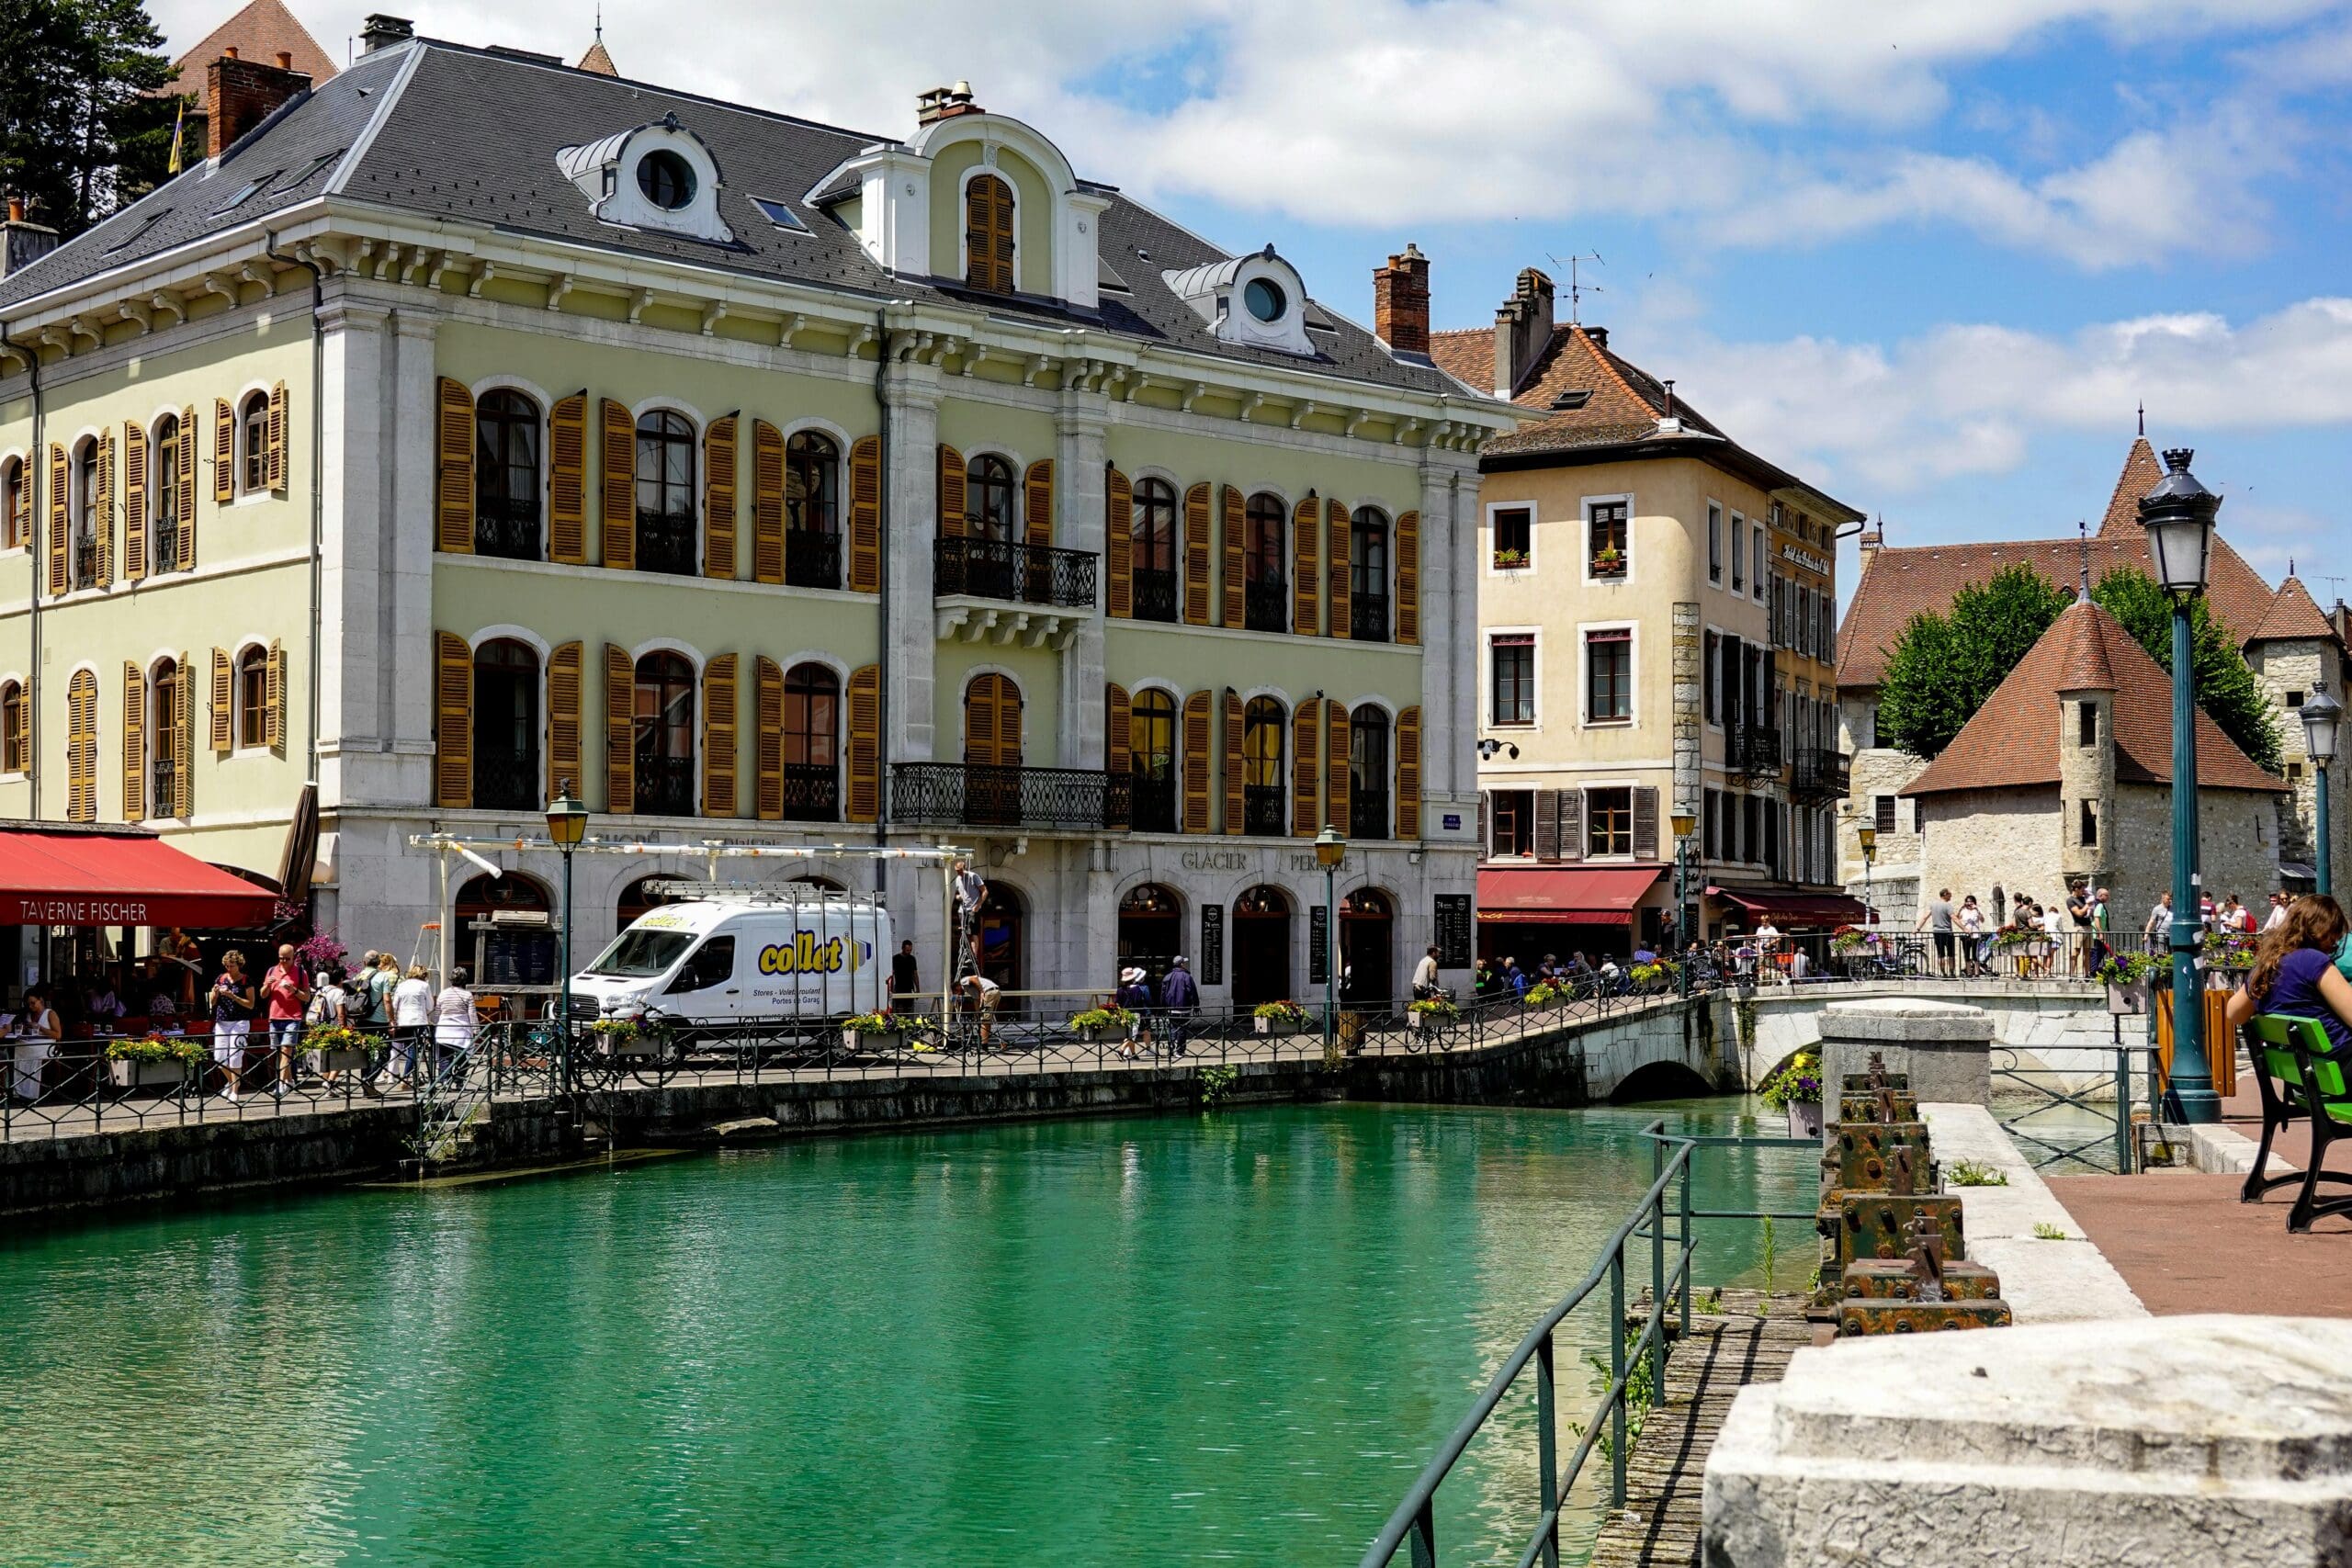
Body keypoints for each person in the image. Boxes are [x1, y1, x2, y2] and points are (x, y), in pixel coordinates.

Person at [2224, 895, 2352, 1055]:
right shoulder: (2314, 961)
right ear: (2323, 931)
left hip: (2302, 1071)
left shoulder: (2266, 966)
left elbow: (2234, 1014)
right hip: (2339, 1062)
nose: (2335, 943)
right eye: (2334, 936)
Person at [260, 943, 310, 1100]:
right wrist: (267, 984)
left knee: (286, 1051)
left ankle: (281, 1084)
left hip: (292, 1017)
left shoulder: (300, 972)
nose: (283, 961)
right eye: (281, 958)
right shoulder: (271, 971)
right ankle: (289, 1080)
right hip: (274, 1017)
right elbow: (262, 995)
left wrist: (293, 990)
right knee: (278, 1052)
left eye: (287, 959)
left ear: (293, 957)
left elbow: (307, 997)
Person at [209, 951, 255, 1102]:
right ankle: (232, 1081)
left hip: (240, 1021)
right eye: (227, 966)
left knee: (235, 1056)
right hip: (222, 1021)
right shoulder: (221, 978)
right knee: (219, 1058)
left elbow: (250, 1004)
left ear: (239, 965)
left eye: (232, 966)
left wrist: (233, 996)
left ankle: (235, 1091)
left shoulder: (246, 980)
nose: (229, 969)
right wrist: (215, 994)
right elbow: (212, 1002)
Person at [385, 964, 434, 1090]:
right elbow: (430, 1006)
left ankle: (409, 1077)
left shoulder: (402, 985)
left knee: (407, 1049)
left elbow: (395, 1004)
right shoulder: (424, 986)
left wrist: (394, 1019)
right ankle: (406, 1078)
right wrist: (424, 1012)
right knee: (414, 1050)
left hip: (403, 1021)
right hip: (418, 1020)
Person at [9, 985, 59, 1102]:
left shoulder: (50, 1014)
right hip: (31, 1043)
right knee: (19, 1046)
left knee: (27, 1049)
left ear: (40, 1000)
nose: (31, 1007)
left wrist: (40, 1028)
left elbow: (57, 1034)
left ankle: (30, 1091)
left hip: (47, 1045)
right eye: (29, 1004)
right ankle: (20, 1089)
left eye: (33, 1003)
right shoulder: (28, 1014)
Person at [433, 965, 479, 1087]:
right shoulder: (467, 995)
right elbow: (472, 1015)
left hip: (444, 1029)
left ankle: (444, 1080)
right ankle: (459, 1081)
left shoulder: (443, 994)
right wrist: (476, 1030)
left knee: (444, 1057)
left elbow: (437, 1013)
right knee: (463, 1058)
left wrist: (434, 1027)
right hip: (461, 1031)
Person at [951, 860, 987, 973]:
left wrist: (978, 905)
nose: (959, 874)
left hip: (973, 909)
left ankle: (974, 956)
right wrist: (958, 897)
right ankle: (965, 953)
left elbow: (985, 891)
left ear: (964, 869)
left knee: (973, 932)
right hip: (963, 909)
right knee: (965, 931)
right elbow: (959, 893)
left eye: (960, 871)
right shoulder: (957, 880)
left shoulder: (973, 877)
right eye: (957, 871)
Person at [1159, 956, 1199, 1057]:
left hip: (1171, 1008)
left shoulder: (1168, 976)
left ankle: (1171, 1049)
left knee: (1172, 1029)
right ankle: (1179, 1050)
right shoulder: (1187, 977)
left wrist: (1163, 1007)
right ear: (1181, 964)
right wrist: (1196, 1006)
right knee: (1182, 1029)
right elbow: (1193, 992)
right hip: (1183, 1007)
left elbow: (1163, 994)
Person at [1114, 966, 1152, 1059]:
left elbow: (1117, 1002)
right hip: (1135, 1013)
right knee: (1132, 1035)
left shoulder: (1120, 990)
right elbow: (1139, 1003)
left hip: (1124, 1014)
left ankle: (1133, 1054)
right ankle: (1121, 1050)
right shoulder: (1136, 989)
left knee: (1129, 1033)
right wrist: (1143, 1014)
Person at [1917, 889, 1957, 976]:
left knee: (1941, 954)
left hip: (1937, 933)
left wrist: (1918, 928)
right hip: (1948, 933)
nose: (1951, 896)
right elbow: (1954, 918)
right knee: (1951, 954)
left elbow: (1925, 917)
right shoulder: (1947, 906)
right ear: (1945, 894)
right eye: (1950, 894)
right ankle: (1951, 973)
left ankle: (1943, 973)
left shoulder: (1933, 905)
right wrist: (1965, 929)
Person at [957, 971, 1001, 1045]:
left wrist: (981, 991)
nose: (958, 994)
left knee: (984, 1020)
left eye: (956, 992)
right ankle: (985, 1042)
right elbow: (976, 1000)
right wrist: (977, 1014)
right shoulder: (970, 989)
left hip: (989, 992)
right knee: (987, 1020)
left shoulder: (962, 981)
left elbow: (974, 978)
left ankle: (984, 1045)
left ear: (957, 986)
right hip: (995, 992)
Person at [891, 940, 921, 1004]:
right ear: (903, 948)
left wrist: (918, 989)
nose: (909, 952)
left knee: (909, 1008)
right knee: (899, 1009)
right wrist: (892, 989)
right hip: (899, 988)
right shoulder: (895, 959)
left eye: (910, 950)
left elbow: (915, 974)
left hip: (910, 988)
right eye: (907, 950)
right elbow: (891, 975)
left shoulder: (912, 959)